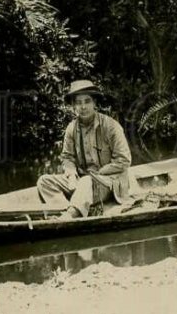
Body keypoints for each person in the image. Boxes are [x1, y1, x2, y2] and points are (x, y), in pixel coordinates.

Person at [36, 80, 132, 218]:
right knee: (44, 181)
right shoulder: (71, 128)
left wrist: (99, 173)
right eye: (78, 103)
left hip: (108, 182)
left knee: (86, 182)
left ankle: (70, 215)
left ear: (94, 103)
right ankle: (67, 209)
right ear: (74, 106)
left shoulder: (111, 126)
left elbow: (124, 160)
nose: (83, 107)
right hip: (83, 181)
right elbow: (67, 157)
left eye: (87, 101)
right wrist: (71, 175)